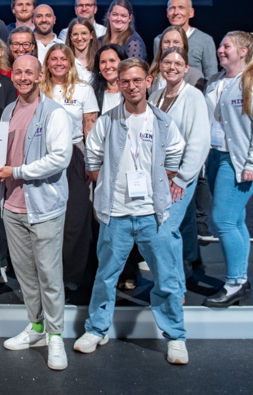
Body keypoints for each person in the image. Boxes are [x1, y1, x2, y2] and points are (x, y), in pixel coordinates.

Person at [74, 59, 189, 365]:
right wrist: (107, 189)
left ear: (148, 82)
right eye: (126, 81)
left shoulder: (163, 122)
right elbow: (93, 159)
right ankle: (97, 329)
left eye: (137, 80)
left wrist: (163, 180)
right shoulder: (108, 120)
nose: (132, 86)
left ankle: (175, 337)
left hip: (154, 215)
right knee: (106, 276)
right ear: (119, 84)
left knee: (166, 279)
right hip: (117, 215)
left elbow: (176, 153)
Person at [0, 54, 72, 371]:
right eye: (19, 72)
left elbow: (59, 158)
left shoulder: (55, 113)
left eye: (30, 73)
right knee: (26, 276)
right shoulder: (9, 110)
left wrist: (16, 171)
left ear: (40, 76)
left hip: (44, 207)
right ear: (13, 77)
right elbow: (1, 155)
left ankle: (55, 337)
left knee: (50, 276)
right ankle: (36, 328)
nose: (24, 77)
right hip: (12, 205)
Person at [202, 32, 253, 308]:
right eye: (220, 45)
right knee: (236, 220)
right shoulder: (216, 82)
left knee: (223, 220)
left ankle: (234, 284)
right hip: (216, 156)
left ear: (243, 51)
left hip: (239, 161)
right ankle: (241, 278)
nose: (220, 50)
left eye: (226, 46)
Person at [149, 46, 212, 284]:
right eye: (167, 63)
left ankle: (174, 285)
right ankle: (170, 282)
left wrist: (182, 177)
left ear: (186, 68)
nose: (171, 67)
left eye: (177, 64)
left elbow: (199, 141)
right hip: (158, 175)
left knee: (166, 230)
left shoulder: (194, 96)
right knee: (162, 231)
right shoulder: (156, 96)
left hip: (179, 178)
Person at [40, 44, 99, 292]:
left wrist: (92, 161)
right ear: (47, 63)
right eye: (53, 59)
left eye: (63, 59)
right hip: (45, 156)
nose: (58, 63)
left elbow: (90, 127)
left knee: (75, 218)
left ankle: (71, 274)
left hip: (76, 155)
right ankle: (46, 275)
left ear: (71, 62)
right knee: (47, 219)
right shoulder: (39, 89)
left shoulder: (84, 90)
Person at [152, 0, 218, 79]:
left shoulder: (205, 40)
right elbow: (157, 71)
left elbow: (211, 77)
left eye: (181, 8)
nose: (176, 12)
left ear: (191, 13)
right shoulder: (159, 40)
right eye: (172, 8)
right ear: (167, 12)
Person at [150, 26, 206, 94]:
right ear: (161, 46)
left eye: (176, 42)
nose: (170, 46)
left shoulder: (194, 75)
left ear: (184, 46)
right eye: (166, 42)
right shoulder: (153, 74)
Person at [91, 44, 126, 115]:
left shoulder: (133, 91)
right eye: (103, 62)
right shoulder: (93, 93)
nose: (107, 66)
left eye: (112, 60)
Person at [66, 18, 97, 84]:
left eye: (84, 33)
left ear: (91, 35)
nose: (79, 38)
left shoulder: (99, 60)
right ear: (70, 37)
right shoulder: (65, 61)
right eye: (75, 34)